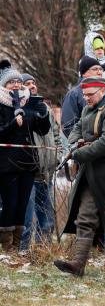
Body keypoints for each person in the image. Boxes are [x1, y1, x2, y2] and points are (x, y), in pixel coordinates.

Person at [54, 77, 105, 276]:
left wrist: (79, 154)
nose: (86, 98)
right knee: (85, 217)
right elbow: (78, 128)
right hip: (93, 172)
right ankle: (78, 264)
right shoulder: (89, 108)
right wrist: (73, 145)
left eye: (90, 95)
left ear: (102, 90)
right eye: (85, 95)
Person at [0, 61, 51, 252]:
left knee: (22, 206)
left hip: (28, 163)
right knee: (10, 204)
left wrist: (44, 115)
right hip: (6, 165)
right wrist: (13, 124)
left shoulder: (28, 102)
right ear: (4, 85)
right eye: (11, 82)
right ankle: (6, 247)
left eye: (17, 81)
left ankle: (17, 245)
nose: (15, 84)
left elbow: (42, 129)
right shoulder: (1, 104)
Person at [21, 73, 62, 249]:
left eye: (33, 83)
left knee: (47, 218)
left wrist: (57, 156)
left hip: (46, 172)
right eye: (27, 84)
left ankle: (42, 250)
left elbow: (56, 136)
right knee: (27, 218)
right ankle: (22, 251)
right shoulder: (20, 109)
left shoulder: (46, 109)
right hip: (28, 172)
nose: (32, 86)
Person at [61, 56, 104, 137]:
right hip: (86, 146)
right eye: (95, 69)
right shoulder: (73, 95)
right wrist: (84, 142)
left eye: (101, 69)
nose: (99, 72)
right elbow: (68, 126)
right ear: (84, 73)